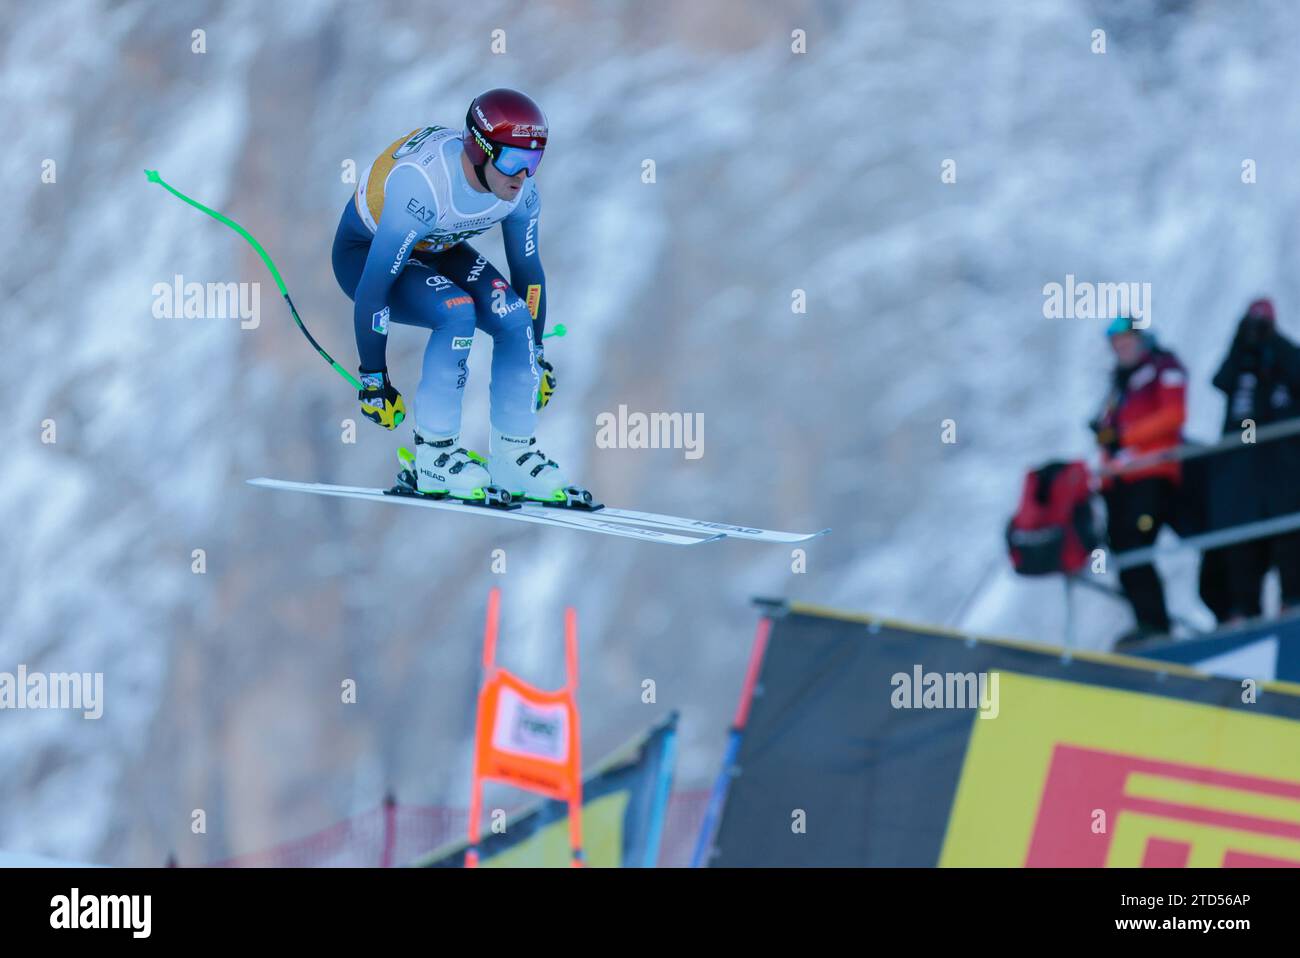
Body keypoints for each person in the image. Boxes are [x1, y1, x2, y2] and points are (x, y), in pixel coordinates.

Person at [331, 88, 566, 501]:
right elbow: (374, 287)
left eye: (534, 160)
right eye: (513, 159)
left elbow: (528, 274)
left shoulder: (521, 195)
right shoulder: (423, 187)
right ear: (479, 150)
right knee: (456, 312)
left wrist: (538, 353)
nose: (521, 175)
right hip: (366, 257)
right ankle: (434, 459)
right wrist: (373, 378)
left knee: (514, 317)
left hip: (439, 244)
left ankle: (514, 457)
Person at [1090, 317, 1187, 645]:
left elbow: (1174, 416)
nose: (1122, 348)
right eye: (1116, 344)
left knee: (1137, 543)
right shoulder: (1119, 383)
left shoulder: (1163, 367)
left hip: (1152, 474)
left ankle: (1156, 626)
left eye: (1127, 340)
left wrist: (1125, 435)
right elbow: (1108, 433)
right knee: (1123, 549)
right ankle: (1147, 625)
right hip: (1119, 481)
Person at [1208, 298, 1300, 619]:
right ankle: (1244, 612)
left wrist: (1273, 340)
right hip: (1243, 478)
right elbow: (1219, 381)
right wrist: (1240, 343)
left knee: (1290, 539)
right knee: (1242, 547)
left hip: (1285, 473)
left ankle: (1293, 602)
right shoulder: (1241, 367)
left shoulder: (1283, 360)